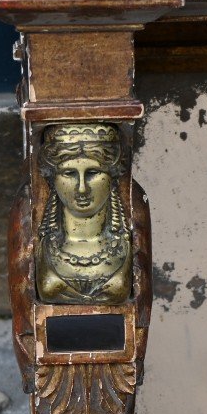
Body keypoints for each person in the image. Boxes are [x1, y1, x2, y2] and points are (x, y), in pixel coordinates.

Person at [36, 123, 132, 304]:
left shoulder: (131, 234)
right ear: (52, 178)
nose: (81, 188)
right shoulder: (38, 240)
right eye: (69, 173)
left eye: (93, 172)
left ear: (113, 176)